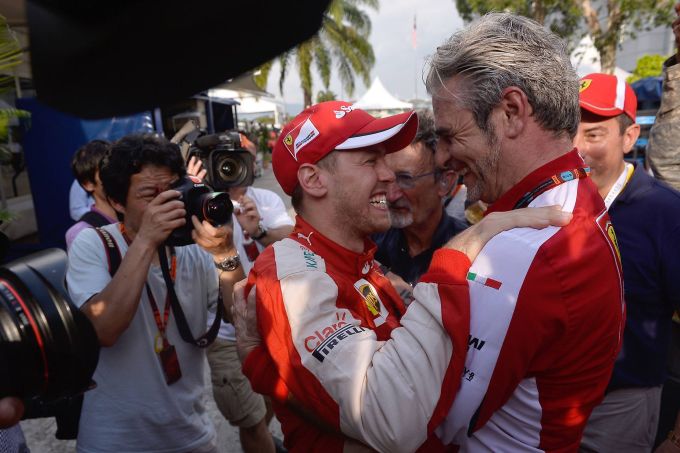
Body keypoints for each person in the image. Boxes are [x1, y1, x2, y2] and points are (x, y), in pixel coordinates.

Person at [235, 100, 572, 452]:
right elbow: (390, 418)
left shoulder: (354, 259)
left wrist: (266, 373)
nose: (388, 176)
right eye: (371, 161)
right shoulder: (294, 273)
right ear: (314, 180)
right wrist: (459, 254)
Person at [424, 13, 624, 451]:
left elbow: (431, 416)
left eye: (450, 135)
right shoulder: (574, 196)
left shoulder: (526, 248)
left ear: (511, 112)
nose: (441, 158)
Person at [66, 134, 243, 453]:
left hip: (193, 436)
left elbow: (242, 319)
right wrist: (146, 240)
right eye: (150, 195)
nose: (168, 203)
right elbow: (103, 330)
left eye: (174, 190)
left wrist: (226, 253)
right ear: (117, 202)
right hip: (114, 443)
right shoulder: (94, 244)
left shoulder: (193, 248)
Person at [575, 72, 680, 452]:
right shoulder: (551, 200)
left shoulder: (664, 213)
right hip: (540, 402)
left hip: (619, 408)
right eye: (569, 132)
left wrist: (677, 437)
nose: (576, 148)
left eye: (593, 134)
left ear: (630, 137)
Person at [204, 141, 294, 453]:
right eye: (224, 161)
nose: (233, 169)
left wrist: (258, 231)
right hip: (226, 334)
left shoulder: (266, 200)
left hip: (270, 324)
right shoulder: (203, 204)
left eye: (241, 160)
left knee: (270, 403)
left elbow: (291, 241)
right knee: (251, 420)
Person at [373, 109, 466, 295]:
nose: (391, 195)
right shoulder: (372, 245)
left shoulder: (468, 252)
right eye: (386, 179)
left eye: (405, 179)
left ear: (445, 182)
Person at [65, 140, 118, 248]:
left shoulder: (138, 217)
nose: (118, 177)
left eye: (119, 169)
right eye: (106, 171)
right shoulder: (82, 234)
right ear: (88, 184)